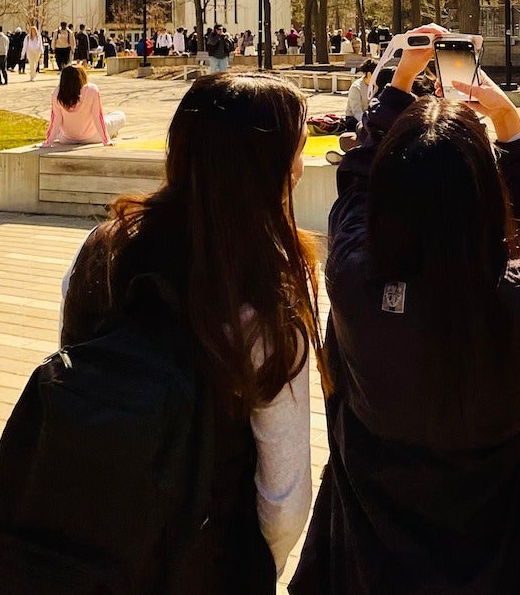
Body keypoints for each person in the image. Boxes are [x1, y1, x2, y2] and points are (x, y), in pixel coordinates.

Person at [290, 27, 520, 595]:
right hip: (500, 542)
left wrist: (397, 87)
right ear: (484, 192)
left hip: (373, 543)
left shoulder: (353, 278)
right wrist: (511, 129)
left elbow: (352, 185)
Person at [48, 72, 325, 589]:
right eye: (298, 150)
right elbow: (283, 498)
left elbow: (75, 374)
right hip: (205, 559)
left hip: (88, 540)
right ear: (266, 166)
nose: (303, 167)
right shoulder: (262, 296)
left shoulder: (102, 249)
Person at [44, 65, 127, 146]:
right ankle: (112, 131)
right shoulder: (92, 90)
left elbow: (55, 120)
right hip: (93, 137)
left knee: (58, 126)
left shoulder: (57, 93)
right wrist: (106, 140)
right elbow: (97, 117)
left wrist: (48, 141)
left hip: (67, 139)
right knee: (120, 115)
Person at [342, 60, 376, 130]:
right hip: (355, 118)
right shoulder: (356, 87)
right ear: (369, 74)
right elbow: (357, 112)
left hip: (370, 117)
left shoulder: (378, 86)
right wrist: (368, 124)